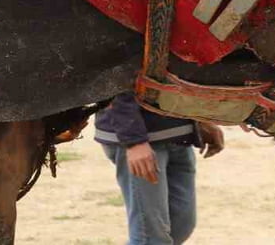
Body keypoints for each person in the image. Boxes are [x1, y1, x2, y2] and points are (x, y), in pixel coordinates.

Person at [94, 93, 225, 245]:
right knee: (150, 238)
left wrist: (201, 119)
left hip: (178, 134)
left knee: (181, 227)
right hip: (138, 141)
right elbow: (114, 81)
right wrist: (134, 141)